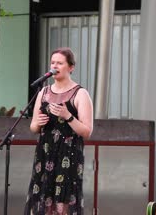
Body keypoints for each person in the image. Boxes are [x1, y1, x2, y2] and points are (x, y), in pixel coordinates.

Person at [24, 47, 94, 215]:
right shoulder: (44, 92)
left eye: (60, 63)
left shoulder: (80, 94)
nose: (54, 66)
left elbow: (87, 131)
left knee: (64, 198)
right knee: (41, 195)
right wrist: (38, 123)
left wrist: (68, 116)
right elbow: (33, 127)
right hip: (45, 153)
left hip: (68, 155)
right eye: (53, 62)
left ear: (71, 67)